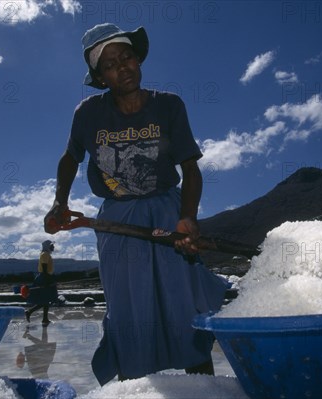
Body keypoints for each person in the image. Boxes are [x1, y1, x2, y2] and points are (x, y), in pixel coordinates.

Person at [43, 23, 228, 385]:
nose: (122, 67)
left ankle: (204, 387)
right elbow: (70, 158)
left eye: (126, 56)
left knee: (182, 298)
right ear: (100, 76)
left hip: (167, 211)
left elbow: (190, 169)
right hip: (118, 218)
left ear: (138, 59)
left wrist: (187, 217)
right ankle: (133, 388)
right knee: (128, 306)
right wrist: (58, 202)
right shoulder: (87, 114)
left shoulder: (168, 106)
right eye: (110, 64)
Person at [25, 240, 57, 327]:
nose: (53, 247)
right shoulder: (45, 254)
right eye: (52, 246)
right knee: (45, 299)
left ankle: (44, 318)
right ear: (47, 246)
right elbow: (44, 268)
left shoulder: (46, 254)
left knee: (46, 299)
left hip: (46, 276)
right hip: (44, 277)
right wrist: (47, 281)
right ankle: (30, 312)